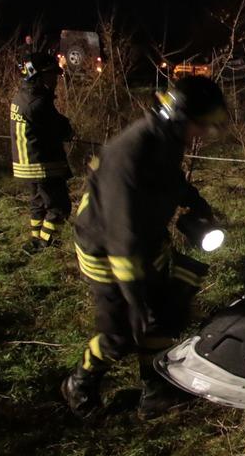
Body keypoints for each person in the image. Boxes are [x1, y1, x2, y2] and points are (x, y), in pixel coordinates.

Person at [61, 76, 227, 421]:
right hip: (107, 250)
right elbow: (123, 238)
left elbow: (170, 180)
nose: (204, 134)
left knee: (161, 315)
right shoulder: (130, 153)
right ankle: (79, 383)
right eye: (202, 125)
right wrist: (135, 299)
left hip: (143, 241)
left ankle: (157, 391)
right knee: (122, 331)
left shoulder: (165, 141)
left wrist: (195, 203)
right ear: (181, 117)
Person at [10, 51, 74, 252]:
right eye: (51, 74)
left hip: (27, 162)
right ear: (37, 75)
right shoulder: (38, 103)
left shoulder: (21, 96)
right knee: (60, 206)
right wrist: (68, 129)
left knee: (38, 202)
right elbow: (59, 128)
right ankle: (45, 244)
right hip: (42, 162)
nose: (55, 79)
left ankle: (35, 237)